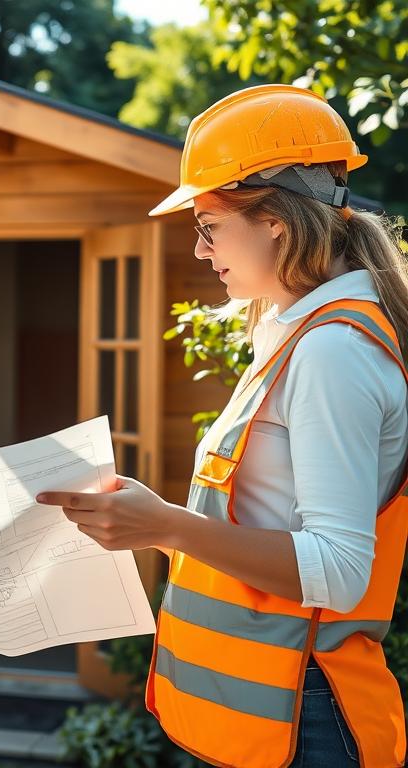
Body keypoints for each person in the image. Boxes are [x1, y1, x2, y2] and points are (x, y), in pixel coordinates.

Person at [38, 84, 408, 767]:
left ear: (276, 220)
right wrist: (152, 523)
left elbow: (340, 571)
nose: (203, 251)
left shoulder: (333, 350)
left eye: (208, 224)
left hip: (309, 721)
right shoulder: (294, 335)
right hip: (277, 719)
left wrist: (167, 527)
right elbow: (261, 528)